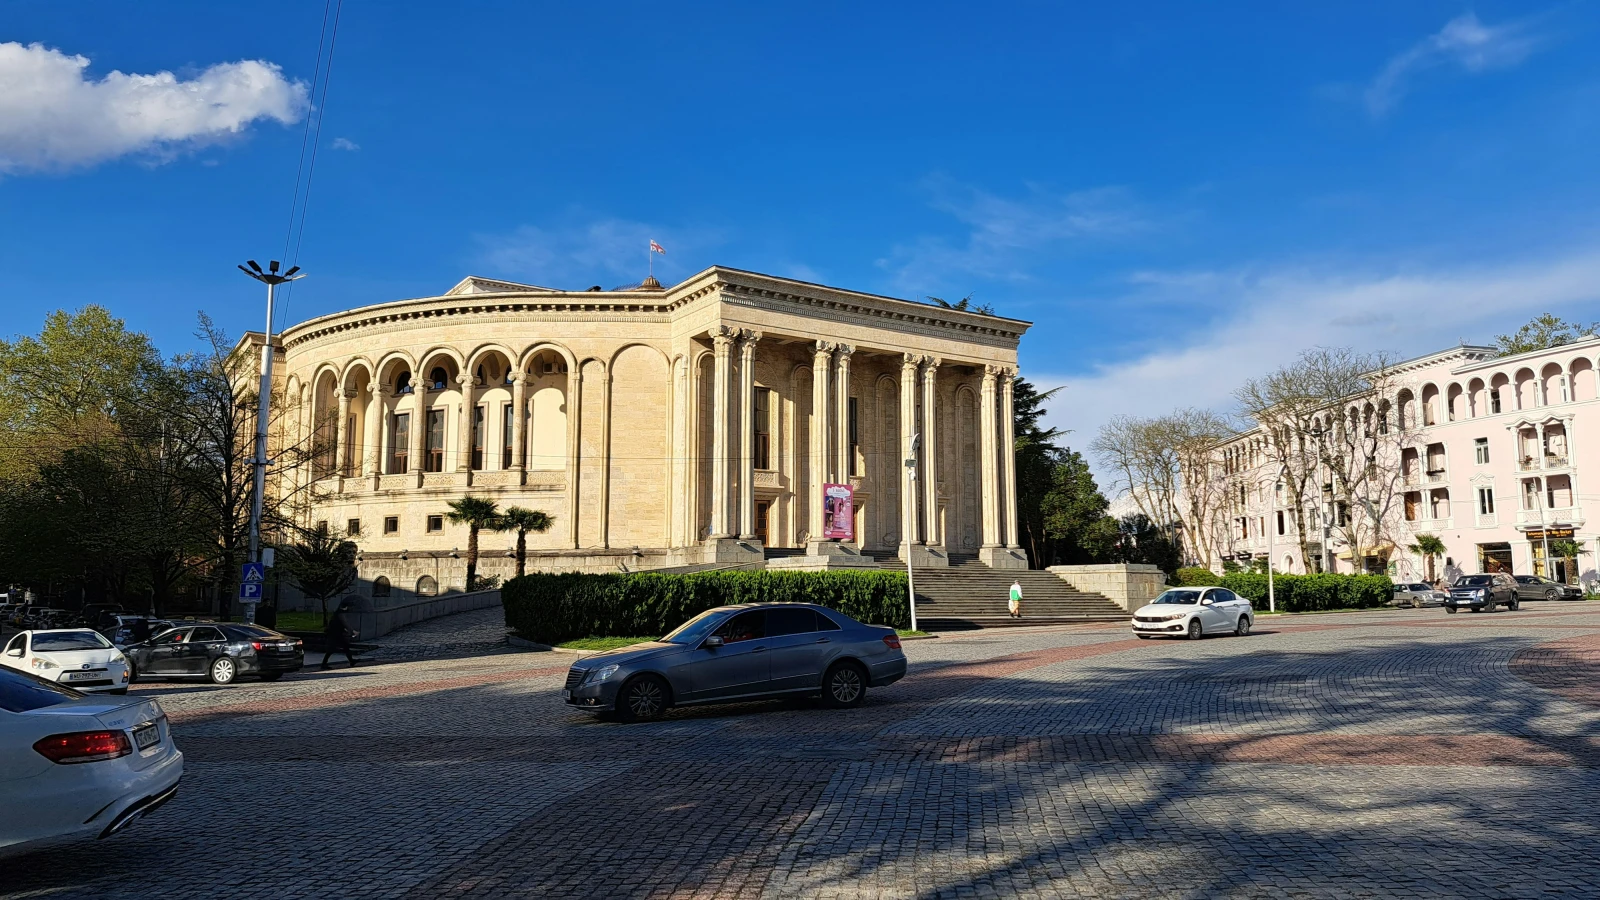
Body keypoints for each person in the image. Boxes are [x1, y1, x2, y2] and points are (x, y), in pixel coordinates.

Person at [321, 603, 359, 670]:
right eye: (347, 607)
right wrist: (352, 631)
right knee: (332, 649)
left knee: (344, 648)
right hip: (337, 635)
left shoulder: (337, 614)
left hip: (336, 634)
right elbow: (344, 624)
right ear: (344, 607)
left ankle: (351, 661)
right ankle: (324, 664)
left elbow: (340, 624)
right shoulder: (340, 614)